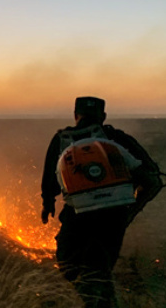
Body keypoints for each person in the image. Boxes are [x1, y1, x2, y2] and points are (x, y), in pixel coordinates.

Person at [41, 96, 163, 308]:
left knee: (70, 265)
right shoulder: (116, 138)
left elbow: (49, 181)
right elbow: (152, 179)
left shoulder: (62, 139)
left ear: (75, 115)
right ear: (103, 116)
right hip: (113, 218)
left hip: (76, 215)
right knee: (100, 269)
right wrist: (129, 211)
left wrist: (47, 204)